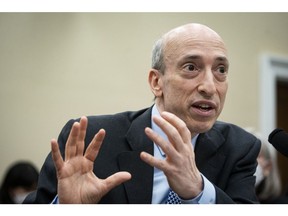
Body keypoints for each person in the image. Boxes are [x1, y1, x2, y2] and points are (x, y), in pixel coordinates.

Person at [23, 23, 261, 204]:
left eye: (221, 70)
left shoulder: (240, 148)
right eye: (191, 67)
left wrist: (198, 191)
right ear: (156, 82)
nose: (209, 86)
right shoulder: (89, 138)